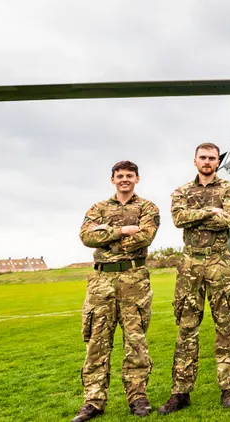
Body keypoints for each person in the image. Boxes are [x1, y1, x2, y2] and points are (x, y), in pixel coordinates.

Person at [73, 160, 161, 422]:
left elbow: (145, 237)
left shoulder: (147, 207)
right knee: (97, 342)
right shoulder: (98, 208)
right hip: (101, 282)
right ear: (112, 179)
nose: (125, 179)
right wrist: (121, 230)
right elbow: (86, 237)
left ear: (137, 179)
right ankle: (93, 401)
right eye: (120, 175)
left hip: (134, 279)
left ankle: (138, 397)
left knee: (135, 341)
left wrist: (107, 236)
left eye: (129, 175)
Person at [159, 143, 230, 413]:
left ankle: (228, 388)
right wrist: (210, 212)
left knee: (225, 327)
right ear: (194, 160)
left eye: (212, 158)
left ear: (218, 162)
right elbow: (178, 218)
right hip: (190, 264)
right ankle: (181, 392)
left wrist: (202, 217)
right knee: (186, 329)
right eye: (203, 158)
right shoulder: (182, 191)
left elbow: (229, 219)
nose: (207, 162)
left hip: (220, 262)